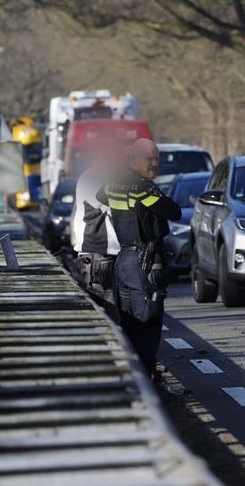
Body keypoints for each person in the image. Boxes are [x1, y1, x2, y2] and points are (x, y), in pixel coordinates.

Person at [99, 139, 181, 377]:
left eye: (157, 159)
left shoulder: (115, 184)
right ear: (133, 160)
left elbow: (101, 195)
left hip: (124, 260)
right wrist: (144, 193)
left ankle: (136, 374)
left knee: (130, 322)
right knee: (147, 324)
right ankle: (145, 378)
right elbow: (173, 211)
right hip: (145, 262)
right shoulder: (144, 189)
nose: (155, 164)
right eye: (149, 159)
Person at [72, 139, 121, 310]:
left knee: (110, 313)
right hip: (100, 253)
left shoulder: (93, 175)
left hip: (99, 255)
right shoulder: (96, 177)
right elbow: (117, 208)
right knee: (109, 314)